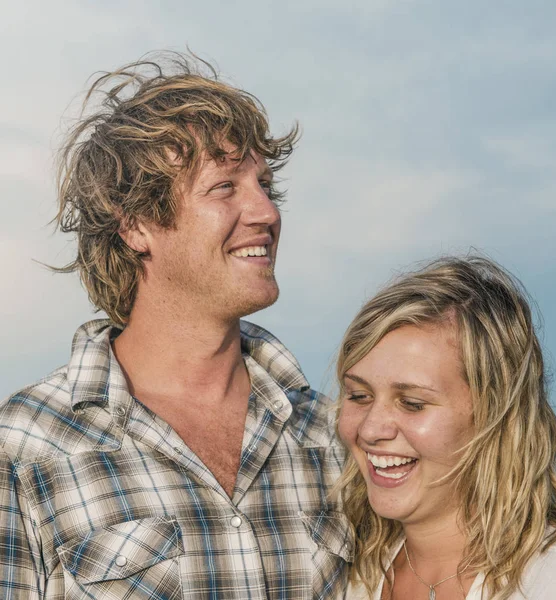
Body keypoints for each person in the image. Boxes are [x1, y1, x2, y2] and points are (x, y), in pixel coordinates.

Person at [0, 53, 350, 599]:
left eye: (264, 185)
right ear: (137, 224)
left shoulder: (332, 434)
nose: (267, 212)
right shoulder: (26, 445)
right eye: (225, 187)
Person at [336, 256, 556, 599]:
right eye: (359, 395)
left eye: (412, 403)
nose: (371, 429)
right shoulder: (343, 576)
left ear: (496, 414)